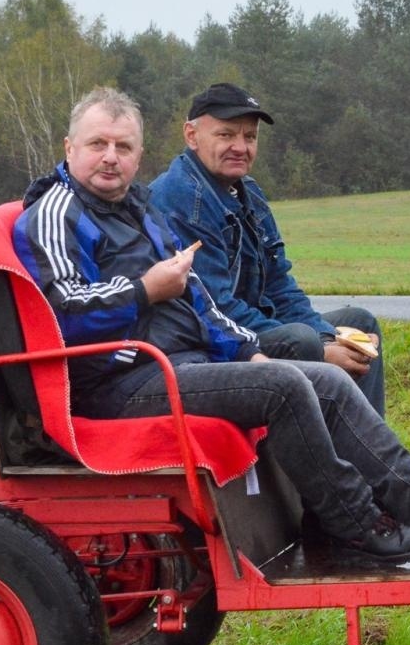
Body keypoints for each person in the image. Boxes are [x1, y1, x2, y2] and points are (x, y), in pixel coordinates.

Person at [13, 86, 410, 562]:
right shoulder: (57, 213)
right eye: (98, 144)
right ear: (69, 148)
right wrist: (145, 289)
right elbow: (61, 310)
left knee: (321, 379)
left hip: (178, 366)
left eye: (123, 147)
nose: (110, 157)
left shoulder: (139, 210)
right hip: (119, 380)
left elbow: (200, 298)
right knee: (284, 387)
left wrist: (249, 351)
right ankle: (355, 524)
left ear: (139, 155)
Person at [147, 83, 387, 417]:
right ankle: (320, 461)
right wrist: (321, 349)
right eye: (226, 135)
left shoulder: (247, 192)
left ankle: (368, 454)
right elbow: (216, 307)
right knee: (301, 340)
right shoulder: (181, 199)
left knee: (359, 325)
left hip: (250, 325)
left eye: (250, 137)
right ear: (192, 135)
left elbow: (279, 284)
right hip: (204, 343)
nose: (240, 147)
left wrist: (330, 336)